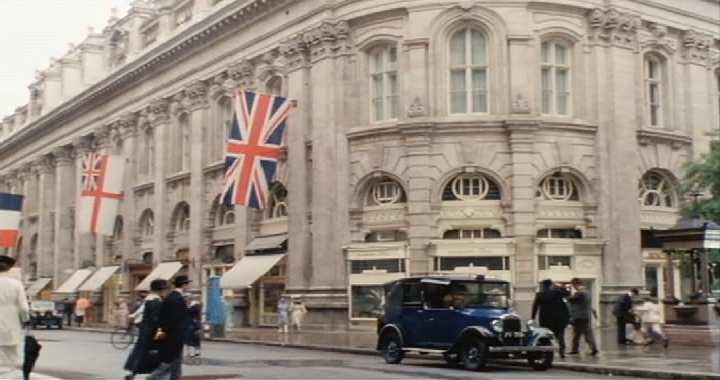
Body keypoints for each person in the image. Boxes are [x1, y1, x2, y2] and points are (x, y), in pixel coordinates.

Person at [147, 276, 191, 380]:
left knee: (174, 361)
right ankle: (154, 376)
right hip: (174, 335)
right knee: (172, 360)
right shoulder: (177, 299)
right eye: (188, 284)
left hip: (171, 334)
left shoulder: (172, 297)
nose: (189, 287)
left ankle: (158, 376)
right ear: (184, 285)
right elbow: (175, 320)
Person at [124, 279, 168, 380]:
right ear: (160, 290)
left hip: (145, 330)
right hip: (152, 332)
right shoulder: (156, 301)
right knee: (154, 354)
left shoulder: (149, 300)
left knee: (141, 353)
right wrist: (160, 332)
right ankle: (153, 376)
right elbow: (155, 319)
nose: (165, 291)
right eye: (164, 289)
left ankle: (132, 374)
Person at [0, 255, 30, 377]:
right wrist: (26, 320)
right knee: (10, 353)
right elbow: (23, 307)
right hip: (11, 322)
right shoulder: (16, 284)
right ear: (9, 268)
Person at [531, 279, 570, 358]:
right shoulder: (557, 292)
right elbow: (567, 293)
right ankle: (562, 353)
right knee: (560, 335)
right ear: (550, 285)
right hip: (559, 318)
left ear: (543, 286)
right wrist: (560, 287)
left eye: (541, 285)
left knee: (547, 336)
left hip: (546, 319)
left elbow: (535, 307)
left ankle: (548, 354)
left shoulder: (540, 294)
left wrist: (532, 318)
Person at [567, 278, 598, 356]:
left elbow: (571, 300)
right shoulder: (588, 292)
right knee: (587, 332)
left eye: (573, 285)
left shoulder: (579, 293)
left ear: (575, 284)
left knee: (577, 334)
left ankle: (575, 350)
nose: (573, 287)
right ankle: (593, 348)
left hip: (579, 316)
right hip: (586, 316)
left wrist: (567, 293)